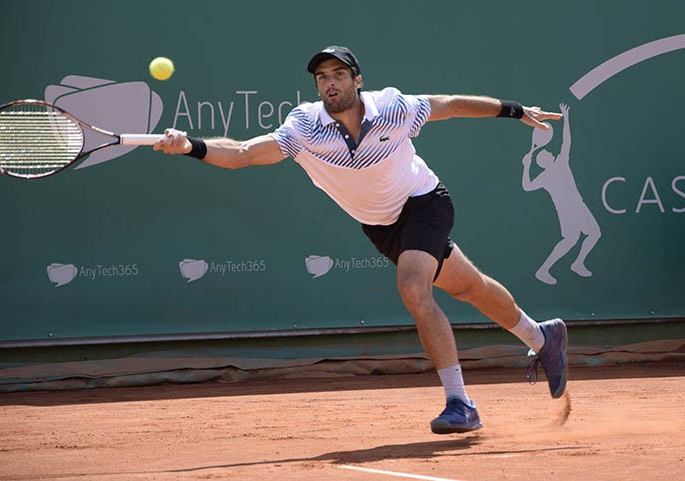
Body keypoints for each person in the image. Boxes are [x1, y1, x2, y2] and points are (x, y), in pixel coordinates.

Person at [154, 46, 567, 435]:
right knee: (468, 287)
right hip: (381, 225)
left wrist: (515, 111)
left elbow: (453, 105)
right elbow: (243, 153)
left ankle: (460, 403)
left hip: (424, 202)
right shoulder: (304, 127)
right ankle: (541, 337)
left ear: (357, 80)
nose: (329, 83)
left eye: (338, 74)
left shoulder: (393, 107)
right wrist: (191, 145)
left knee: (412, 287)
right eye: (321, 77)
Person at [522, 103, 601, 285]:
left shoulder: (555, 167)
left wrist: (527, 167)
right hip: (567, 211)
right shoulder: (555, 168)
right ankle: (544, 270)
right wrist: (526, 167)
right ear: (545, 161)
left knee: (594, 233)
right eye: (548, 153)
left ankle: (578, 263)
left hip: (577, 205)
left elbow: (566, 142)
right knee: (571, 240)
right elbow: (527, 186)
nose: (550, 151)